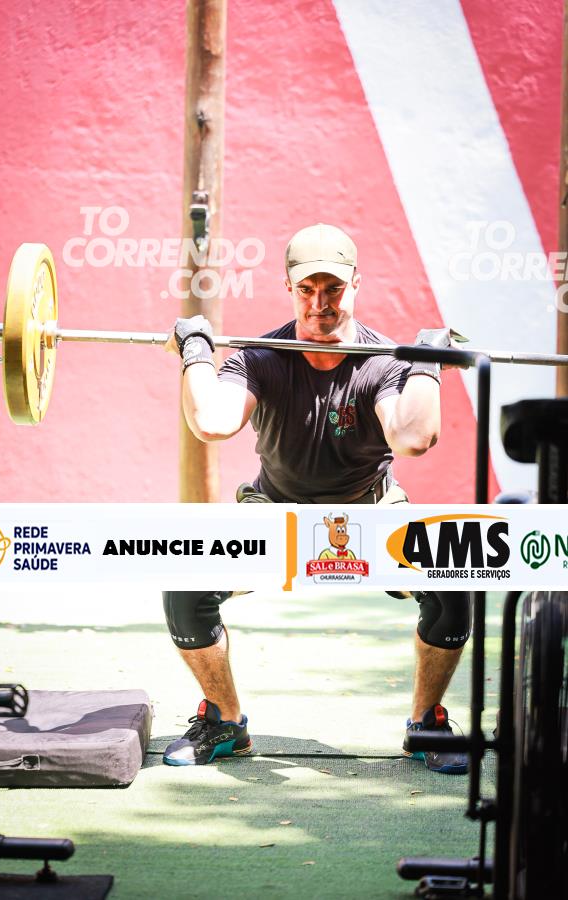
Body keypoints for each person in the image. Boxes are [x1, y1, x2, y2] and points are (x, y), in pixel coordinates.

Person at [162, 223, 471, 774]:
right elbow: (212, 422)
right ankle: (224, 722)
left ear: (356, 284)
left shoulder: (382, 363)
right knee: (187, 585)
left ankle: (426, 723)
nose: (320, 304)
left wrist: (426, 360)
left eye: (333, 289)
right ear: (289, 288)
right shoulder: (262, 357)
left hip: (370, 513)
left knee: (451, 584)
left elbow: (413, 438)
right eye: (306, 290)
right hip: (275, 513)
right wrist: (197, 350)